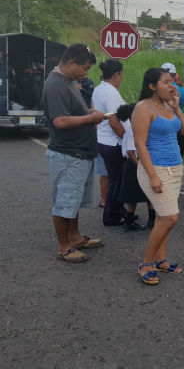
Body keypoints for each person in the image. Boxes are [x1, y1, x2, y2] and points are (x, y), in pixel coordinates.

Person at [41, 44, 106, 263]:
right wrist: (91, 119)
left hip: (80, 153)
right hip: (68, 155)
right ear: (71, 63)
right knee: (64, 202)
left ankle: (75, 237)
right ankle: (64, 247)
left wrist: (90, 112)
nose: (86, 73)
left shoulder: (68, 82)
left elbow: (71, 112)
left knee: (74, 201)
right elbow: (60, 121)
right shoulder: (55, 85)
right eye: (84, 68)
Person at [132, 68, 184, 285]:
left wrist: (177, 108)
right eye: (166, 82)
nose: (171, 85)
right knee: (169, 217)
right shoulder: (142, 108)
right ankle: (146, 263)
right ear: (152, 86)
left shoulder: (169, 105)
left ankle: (160, 260)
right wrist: (153, 176)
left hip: (175, 168)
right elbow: (140, 144)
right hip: (154, 169)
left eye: (172, 81)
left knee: (162, 217)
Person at [92, 60, 128, 226]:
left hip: (102, 140)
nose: (122, 78)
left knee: (115, 179)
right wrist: (127, 140)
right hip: (113, 144)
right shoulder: (111, 93)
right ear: (117, 74)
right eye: (122, 74)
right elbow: (115, 122)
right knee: (116, 181)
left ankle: (118, 211)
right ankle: (111, 216)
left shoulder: (99, 89)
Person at [116, 103, 154, 231]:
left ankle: (136, 220)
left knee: (138, 195)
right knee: (140, 194)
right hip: (135, 164)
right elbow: (131, 151)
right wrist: (141, 167)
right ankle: (145, 221)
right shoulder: (135, 130)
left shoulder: (133, 128)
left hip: (134, 164)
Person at [161, 63, 184, 157]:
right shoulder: (180, 90)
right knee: (178, 152)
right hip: (179, 126)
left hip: (162, 126)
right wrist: (182, 86)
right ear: (175, 76)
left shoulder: (158, 89)